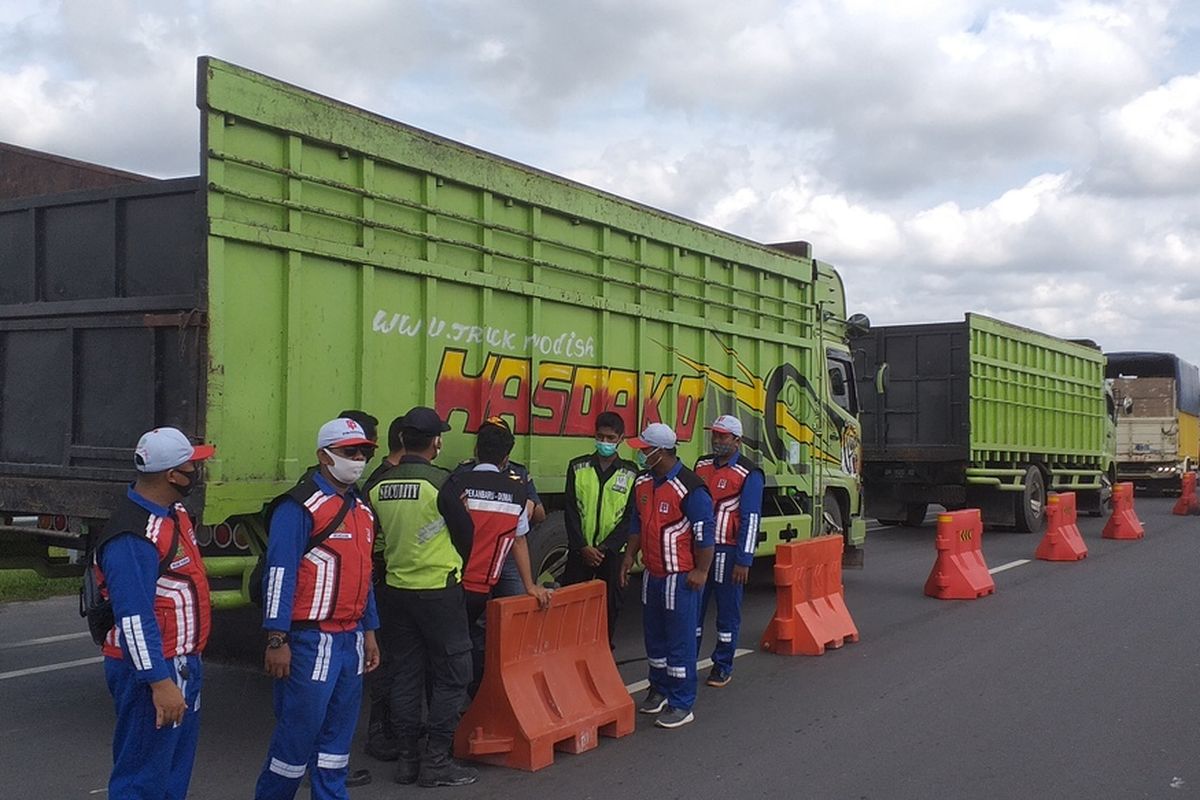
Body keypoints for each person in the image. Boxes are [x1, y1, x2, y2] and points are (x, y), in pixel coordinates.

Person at [254, 418, 382, 800]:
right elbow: (279, 573)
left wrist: (370, 632)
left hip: (351, 639)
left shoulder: (362, 506)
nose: (358, 460)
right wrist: (277, 638)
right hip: (311, 640)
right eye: (349, 452)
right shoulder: (299, 506)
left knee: (336, 746)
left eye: (364, 453)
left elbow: (365, 574)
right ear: (323, 456)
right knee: (295, 740)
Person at [93, 427, 214, 800]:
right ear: (172, 475)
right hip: (154, 669)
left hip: (181, 662)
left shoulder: (173, 513)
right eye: (193, 465)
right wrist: (159, 682)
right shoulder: (132, 537)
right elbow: (133, 617)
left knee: (171, 771)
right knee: (142, 777)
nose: (198, 471)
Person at [367, 406, 479, 788]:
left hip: (396, 591)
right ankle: (436, 762)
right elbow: (466, 534)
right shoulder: (442, 482)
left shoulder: (379, 485)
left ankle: (406, 760)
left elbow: (374, 542)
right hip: (439, 592)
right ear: (435, 442)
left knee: (405, 675)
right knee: (453, 675)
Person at [619, 423, 714, 730]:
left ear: (660, 453)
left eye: (645, 450)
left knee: (680, 642)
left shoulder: (691, 488)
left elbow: (705, 535)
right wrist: (629, 556)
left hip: (680, 577)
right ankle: (658, 689)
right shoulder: (643, 482)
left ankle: (681, 703)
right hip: (653, 574)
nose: (640, 454)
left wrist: (701, 571)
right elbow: (637, 522)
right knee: (655, 638)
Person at [448, 423, 553, 692]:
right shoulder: (515, 489)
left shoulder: (455, 481)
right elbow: (519, 539)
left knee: (460, 639)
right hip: (488, 574)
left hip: (456, 575)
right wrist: (530, 586)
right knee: (493, 628)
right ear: (505, 456)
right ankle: (489, 687)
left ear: (476, 450)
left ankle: (463, 693)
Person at [694, 415, 764, 687]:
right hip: (700, 550)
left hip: (728, 552)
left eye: (723, 436)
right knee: (693, 611)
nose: (717, 440)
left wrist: (744, 560)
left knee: (727, 613)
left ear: (737, 440)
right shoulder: (701, 464)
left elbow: (751, 518)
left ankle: (722, 665)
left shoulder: (749, 473)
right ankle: (688, 661)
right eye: (714, 435)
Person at [562, 411, 638, 647]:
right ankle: (570, 645)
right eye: (600, 436)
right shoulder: (577, 467)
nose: (605, 442)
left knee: (610, 604)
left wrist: (604, 548)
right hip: (580, 550)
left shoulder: (631, 472)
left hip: (611, 553)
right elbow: (571, 510)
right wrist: (583, 546)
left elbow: (630, 517)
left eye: (610, 437)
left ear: (621, 439)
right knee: (572, 602)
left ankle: (603, 647)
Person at [453, 415, 546, 597]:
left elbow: (541, 516)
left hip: (509, 553)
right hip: (476, 552)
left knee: (512, 604)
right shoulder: (464, 472)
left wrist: (531, 505)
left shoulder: (519, 474)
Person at [360, 414, 407, 762]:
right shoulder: (388, 480)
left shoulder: (378, 479)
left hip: (384, 575)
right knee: (387, 659)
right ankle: (381, 731)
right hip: (384, 576)